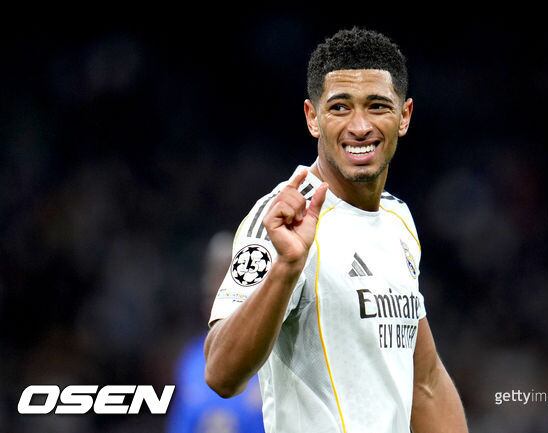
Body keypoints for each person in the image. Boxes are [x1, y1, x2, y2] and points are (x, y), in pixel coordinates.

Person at [204, 28, 468, 433]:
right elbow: (220, 374)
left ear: (404, 116)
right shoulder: (283, 219)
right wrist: (286, 268)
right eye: (340, 107)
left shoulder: (398, 218)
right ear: (313, 117)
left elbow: (425, 382)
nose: (359, 126)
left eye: (377, 106)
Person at [168, 231, 265, 433]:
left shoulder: (272, 355)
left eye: (227, 273)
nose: (215, 284)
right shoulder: (192, 360)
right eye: (213, 275)